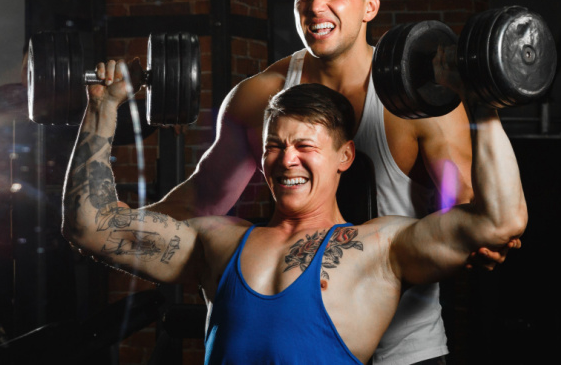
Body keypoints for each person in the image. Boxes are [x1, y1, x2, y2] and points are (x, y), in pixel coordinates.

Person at [95, 0, 516, 363]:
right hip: (301, 347)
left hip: (405, 349)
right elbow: (201, 200)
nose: (316, 8)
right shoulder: (260, 96)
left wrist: (480, 236)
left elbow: (462, 202)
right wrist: (109, 226)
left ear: (370, 6)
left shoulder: (425, 100)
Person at [62, 78, 526, 364]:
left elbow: (500, 220)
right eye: (274, 146)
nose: (287, 160)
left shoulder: (380, 248)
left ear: (345, 156)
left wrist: (484, 106)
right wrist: (102, 109)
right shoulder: (217, 242)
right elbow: (90, 225)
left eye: (305, 146)